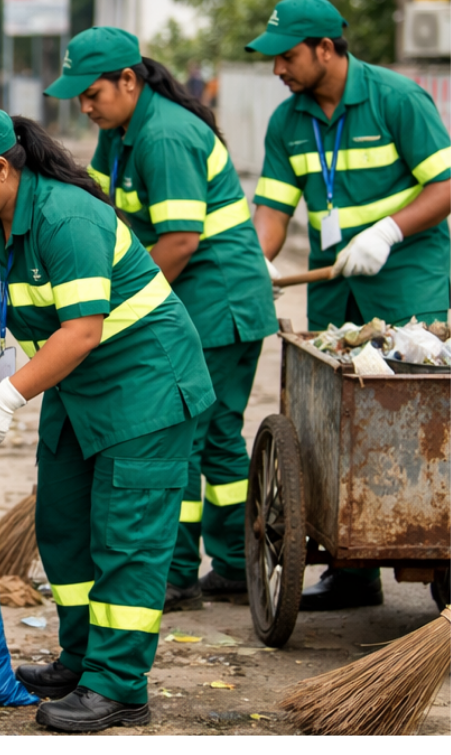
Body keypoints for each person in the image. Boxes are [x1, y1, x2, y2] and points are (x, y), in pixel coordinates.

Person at [0, 104, 214, 732]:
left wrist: (4, 399)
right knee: (62, 529)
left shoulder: (68, 218)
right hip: (75, 390)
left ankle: (119, 686)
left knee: (125, 542)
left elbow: (81, 331)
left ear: (1, 168)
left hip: (145, 388)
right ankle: (83, 660)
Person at [45, 27, 278, 611]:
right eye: (79, 97)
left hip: (216, 301)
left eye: (93, 93)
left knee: (189, 437)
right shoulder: (121, 132)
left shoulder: (166, 136)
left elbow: (177, 243)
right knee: (217, 436)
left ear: (130, 80)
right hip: (192, 299)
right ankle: (230, 563)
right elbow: (105, 214)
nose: (86, 106)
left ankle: (180, 572)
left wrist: (107, 310)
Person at [247, 0, 450, 610]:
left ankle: (437, 550)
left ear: (326, 49)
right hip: (338, 288)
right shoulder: (288, 121)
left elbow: (444, 185)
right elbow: (274, 211)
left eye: (287, 55)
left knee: (416, 422)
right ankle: (352, 571)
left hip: (409, 284)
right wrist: (259, 259)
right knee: (337, 421)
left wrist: (388, 230)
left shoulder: (397, 99)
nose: (278, 68)